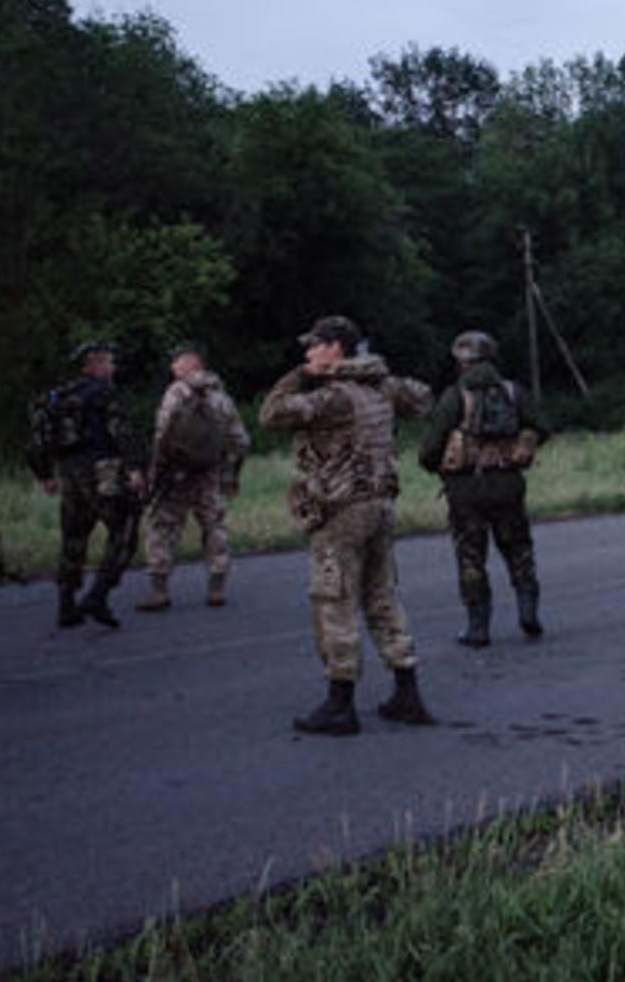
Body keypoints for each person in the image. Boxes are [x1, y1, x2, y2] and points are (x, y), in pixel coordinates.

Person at [260, 315, 435, 736]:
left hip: (340, 510)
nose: (308, 354)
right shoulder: (382, 387)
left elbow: (271, 414)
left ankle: (340, 703)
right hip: (380, 504)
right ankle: (406, 690)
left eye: (315, 346)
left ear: (335, 348)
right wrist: (372, 370)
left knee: (333, 600)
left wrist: (302, 375)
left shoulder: (334, 397)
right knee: (382, 597)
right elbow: (423, 398)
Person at [418, 330, 548, 647]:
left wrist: (442, 467)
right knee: (519, 549)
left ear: (462, 361)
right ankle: (528, 612)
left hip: (465, 489)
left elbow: (429, 449)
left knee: (471, 558)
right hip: (508, 483)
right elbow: (541, 427)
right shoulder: (514, 392)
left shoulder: (455, 395)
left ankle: (478, 628)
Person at [27, 341, 146, 629]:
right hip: (101, 469)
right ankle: (98, 595)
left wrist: (44, 473)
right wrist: (135, 468)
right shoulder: (103, 392)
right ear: (93, 365)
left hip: (69, 473)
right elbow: (122, 431)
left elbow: (37, 439)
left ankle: (66, 605)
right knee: (124, 530)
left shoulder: (60, 396)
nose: (113, 367)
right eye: (108, 362)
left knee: (74, 537)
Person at [138, 342, 250, 612]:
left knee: (163, 528)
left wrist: (153, 470)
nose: (172, 366)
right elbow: (241, 441)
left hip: (175, 474)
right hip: (210, 473)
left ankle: (159, 590)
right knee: (214, 527)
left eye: (176, 361)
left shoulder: (176, 392)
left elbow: (162, 434)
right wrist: (231, 475)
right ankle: (216, 587)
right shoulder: (222, 397)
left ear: (191, 362)